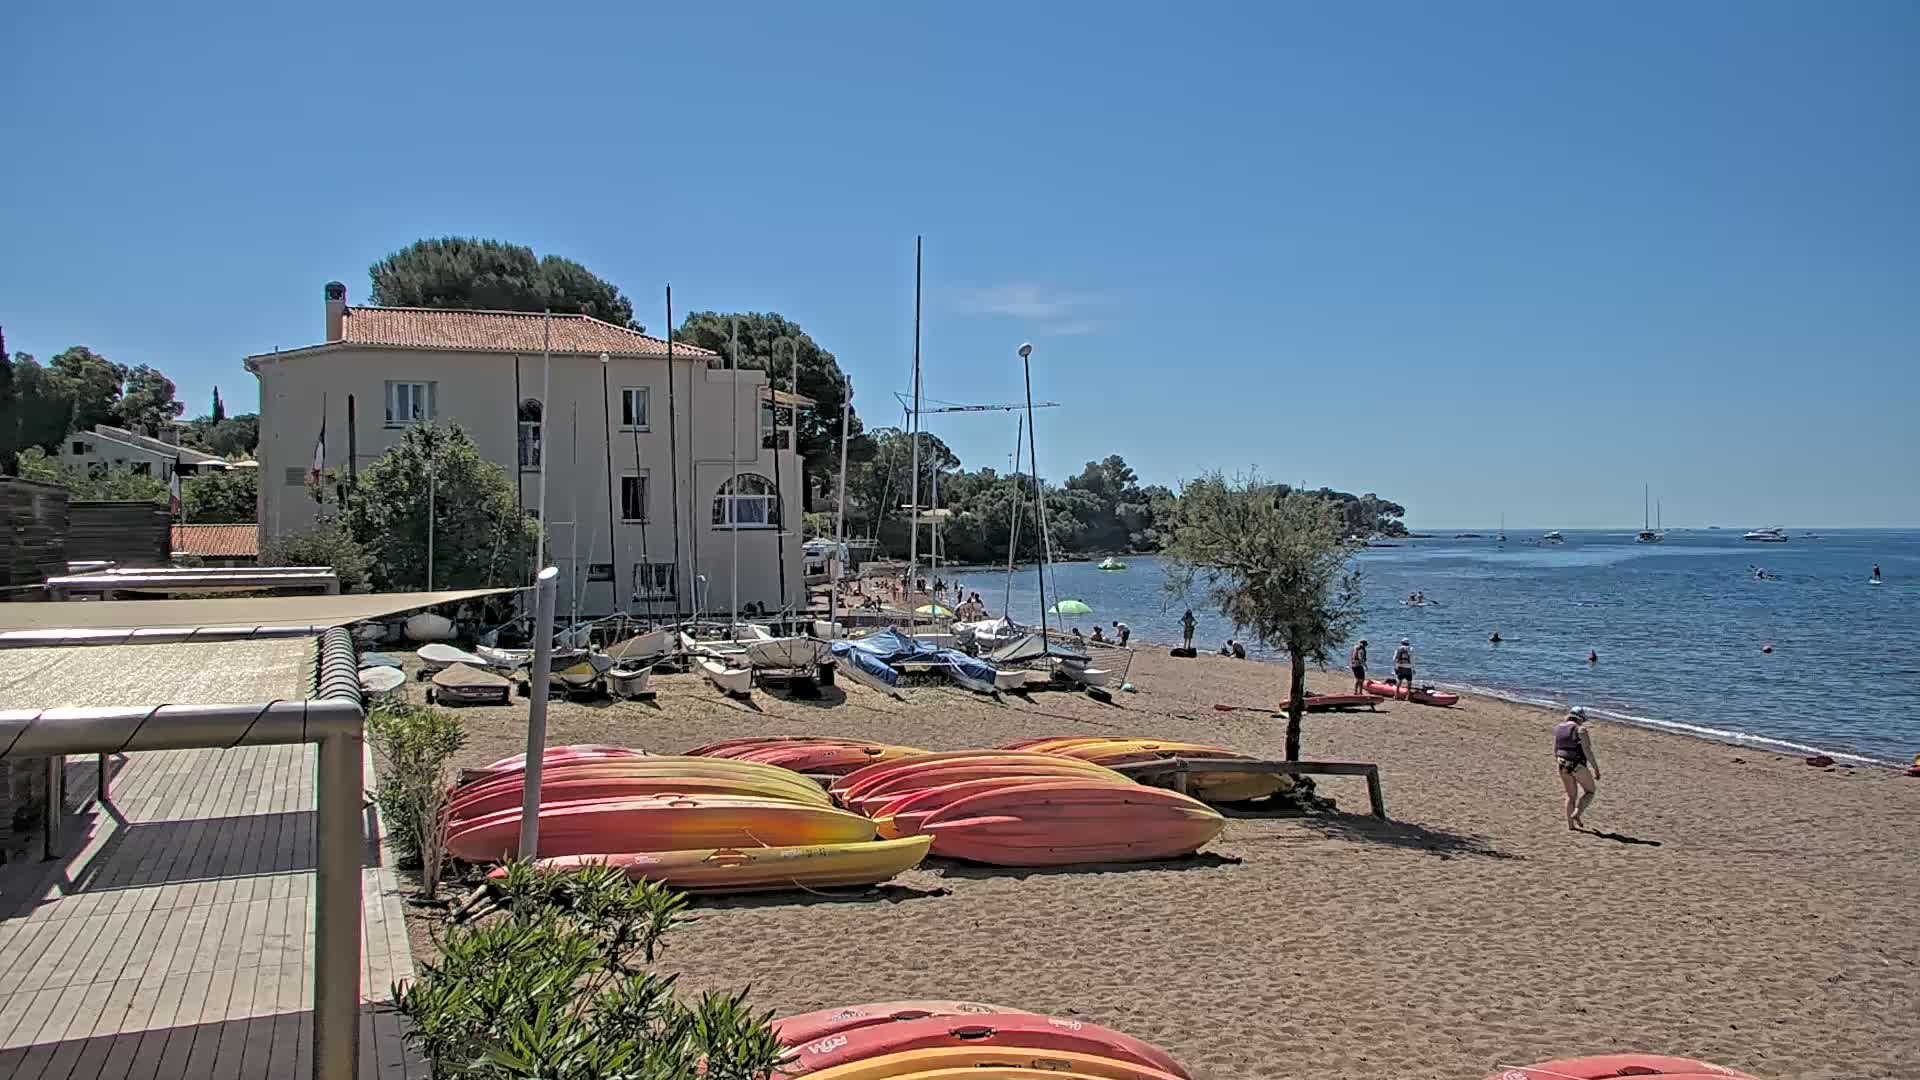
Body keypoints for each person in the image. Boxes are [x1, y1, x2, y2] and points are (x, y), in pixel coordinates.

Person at [1554, 706, 1600, 829]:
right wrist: (1595, 768)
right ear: (1580, 719)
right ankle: (1577, 813)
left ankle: (1570, 825)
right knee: (1590, 791)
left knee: (1570, 795)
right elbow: (1587, 751)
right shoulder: (1580, 730)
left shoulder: (1558, 728)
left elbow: (1556, 749)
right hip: (1576, 764)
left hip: (1562, 763)